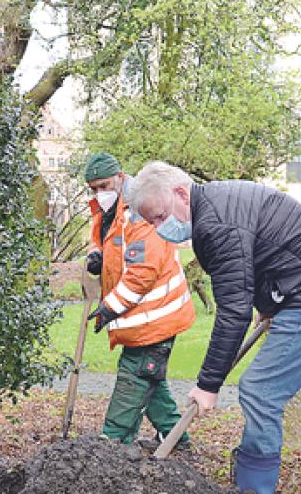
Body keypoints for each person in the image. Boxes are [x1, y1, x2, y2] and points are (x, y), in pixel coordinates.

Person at [128, 161, 301, 494]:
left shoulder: (215, 224)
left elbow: (234, 310)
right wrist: (270, 307)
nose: (159, 227)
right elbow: (263, 257)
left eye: (159, 216)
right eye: (152, 221)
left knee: (260, 391)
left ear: (181, 193)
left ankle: (254, 488)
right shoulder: (216, 204)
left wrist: (208, 384)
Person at [82, 152, 196, 448]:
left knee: (133, 377)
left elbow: (142, 274)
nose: (99, 193)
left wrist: (110, 307)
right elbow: (106, 239)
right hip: (145, 319)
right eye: (93, 188)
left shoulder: (141, 209)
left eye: (104, 185)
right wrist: (98, 254)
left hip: (156, 318)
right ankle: (175, 438)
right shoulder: (109, 210)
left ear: (120, 177)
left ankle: (113, 440)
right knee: (150, 379)